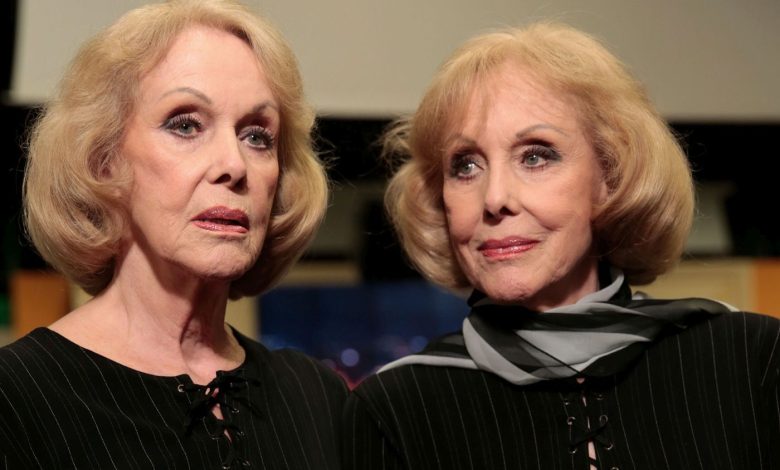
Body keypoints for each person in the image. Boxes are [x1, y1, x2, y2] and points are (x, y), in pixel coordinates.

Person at [343, 22, 780, 470]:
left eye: (535, 156)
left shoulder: (750, 361)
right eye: (466, 166)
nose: (494, 199)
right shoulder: (394, 412)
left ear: (610, 178)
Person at [0, 1, 346, 468]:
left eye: (257, 136)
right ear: (104, 162)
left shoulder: (317, 398)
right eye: (186, 125)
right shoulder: (17, 398)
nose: (234, 165)